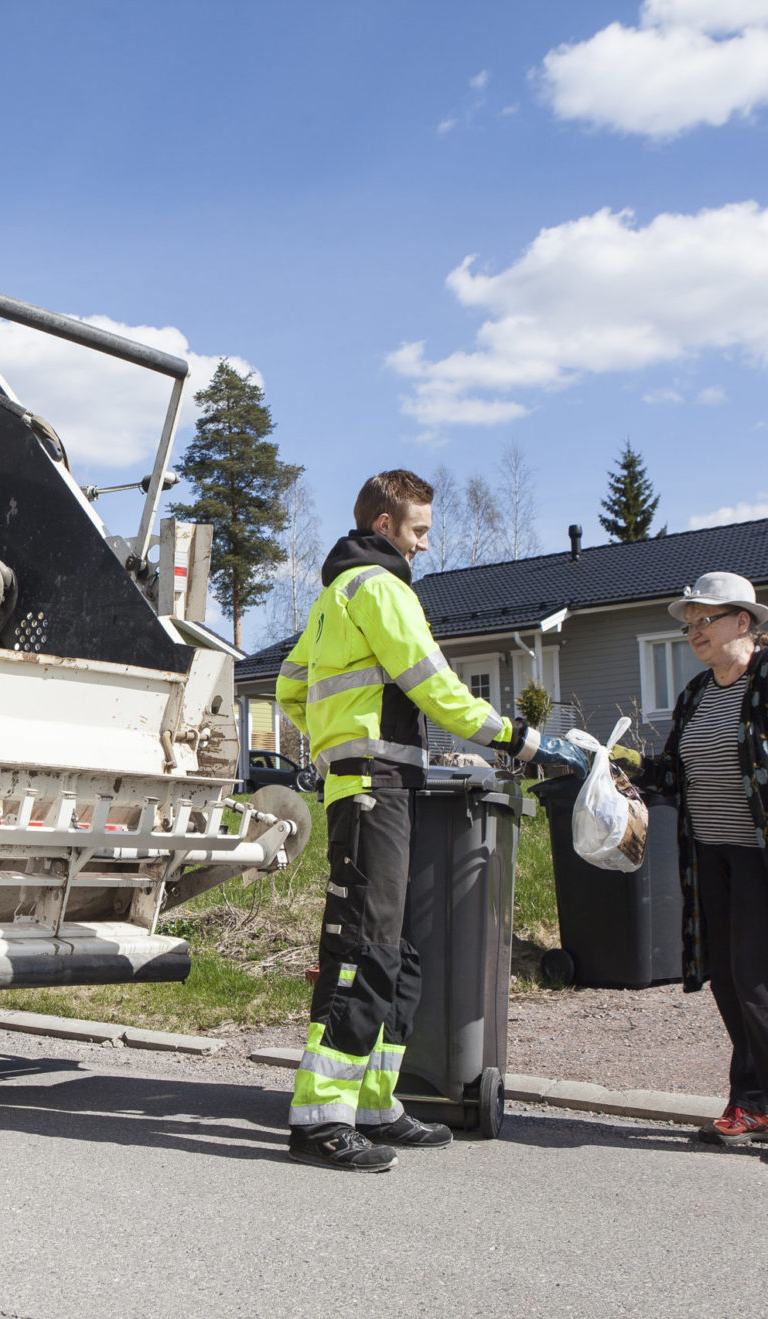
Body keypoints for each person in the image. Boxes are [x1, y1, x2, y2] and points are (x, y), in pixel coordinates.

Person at [275, 469, 590, 1172]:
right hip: (374, 786)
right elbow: (437, 686)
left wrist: (333, 742)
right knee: (364, 950)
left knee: (397, 954)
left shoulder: (334, 594)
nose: (424, 544)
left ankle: (374, 1100)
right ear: (385, 526)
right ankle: (320, 1116)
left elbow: (291, 686)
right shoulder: (382, 589)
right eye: (418, 530)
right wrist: (525, 739)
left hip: (377, 782)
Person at [620, 572, 768, 1165]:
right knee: (724, 976)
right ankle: (753, 1103)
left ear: (743, 622)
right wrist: (626, 765)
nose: (694, 631)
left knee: (758, 980)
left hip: (765, 857)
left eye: (706, 619)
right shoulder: (697, 692)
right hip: (709, 857)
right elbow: (675, 774)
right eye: (689, 623)